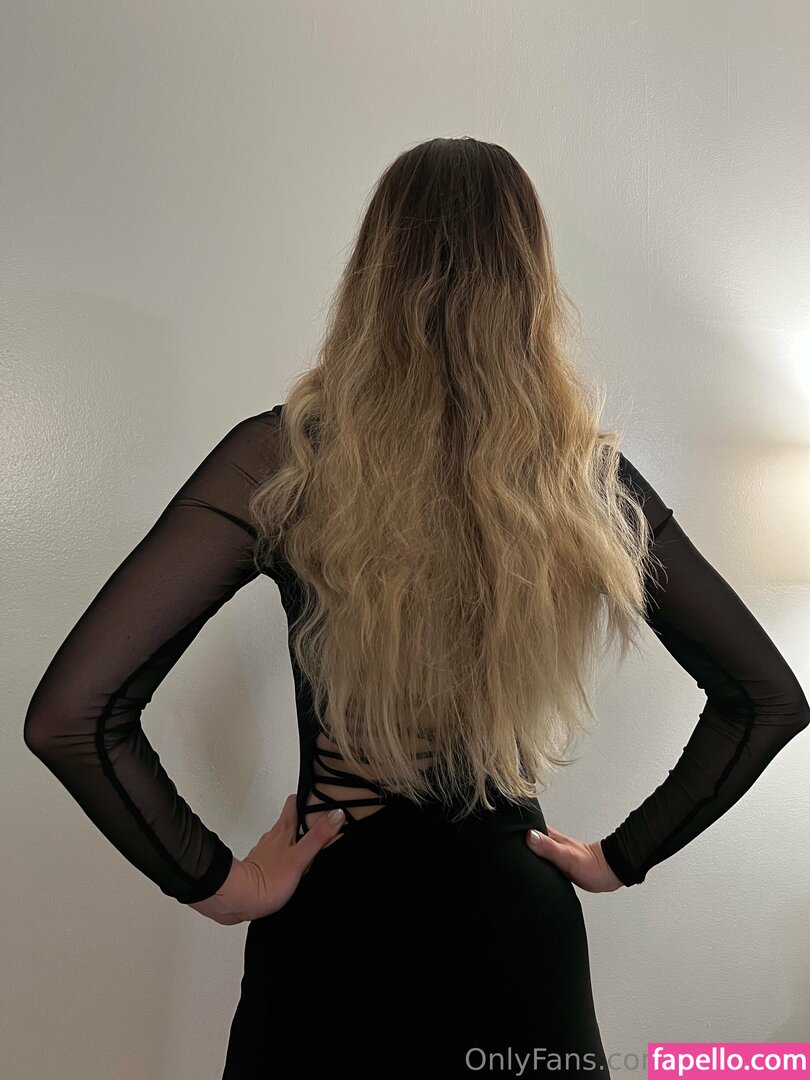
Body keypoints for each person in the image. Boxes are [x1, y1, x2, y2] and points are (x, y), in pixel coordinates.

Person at [24, 138, 809, 1079]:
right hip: (517, 943)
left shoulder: (283, 463)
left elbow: (72, 717)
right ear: (529, 282)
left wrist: (221, 884)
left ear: (374, 272)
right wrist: (618, 859)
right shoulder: (582, 480)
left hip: (331, 933)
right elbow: (767, 699)